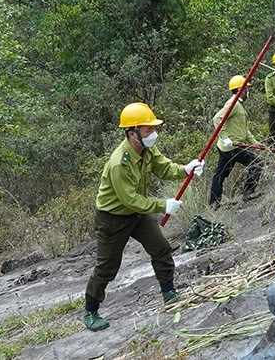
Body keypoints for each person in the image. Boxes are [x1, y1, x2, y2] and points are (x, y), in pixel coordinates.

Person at [83, 102, 204, 332]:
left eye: (152, 129)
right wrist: (163, 205)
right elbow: (129, 200)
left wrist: (185, 169)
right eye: (148, 130)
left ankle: (169, 293)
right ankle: (90, 310)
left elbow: (163, 167)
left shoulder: (147, 150)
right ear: (133, 134)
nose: (153, 134)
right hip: (113, 218)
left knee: (160, 248)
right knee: (107, 267)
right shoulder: (120, 163)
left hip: (137, 213)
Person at [209, 74, 265, 205]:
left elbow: (244, 129)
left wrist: (255, 143)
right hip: (231, 147)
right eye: (246, 89)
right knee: (256, 163)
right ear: (241, 89)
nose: (248, 92)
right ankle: (248, 192)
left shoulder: (238, 104)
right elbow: (216, 119)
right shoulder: (233, 103)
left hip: (230, 147)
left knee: (220, 175)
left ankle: (214, 203)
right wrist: (225, 138)